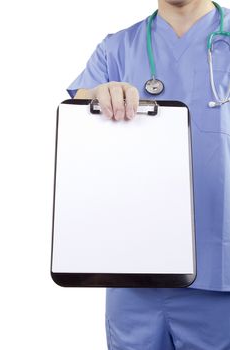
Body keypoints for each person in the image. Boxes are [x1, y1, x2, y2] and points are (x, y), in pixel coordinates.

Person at [67, 0, 230, 348]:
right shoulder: (118, 48)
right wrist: (96, 96)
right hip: (133, 271)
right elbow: (77, 115)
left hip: (221, 270)